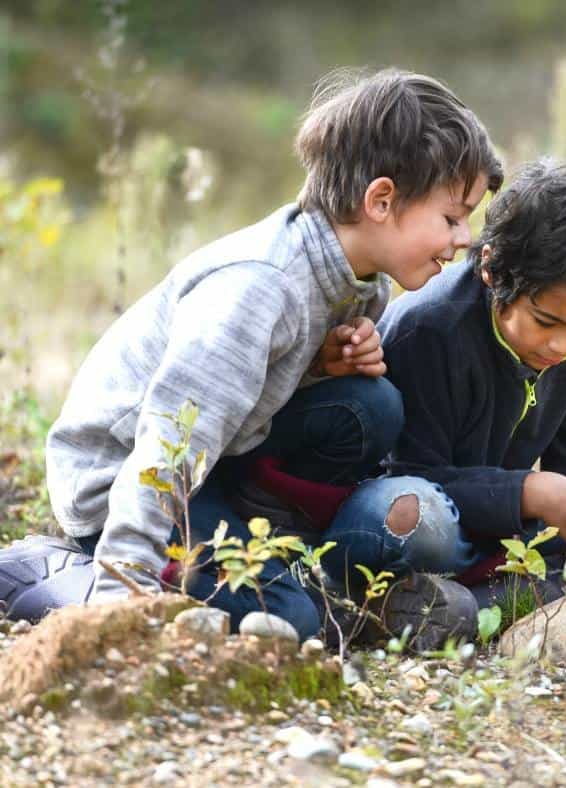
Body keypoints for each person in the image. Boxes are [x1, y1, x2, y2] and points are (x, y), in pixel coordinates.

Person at [0, 69, 502, 643]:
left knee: (371, 405)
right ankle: (59, 574)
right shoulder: (259, 288)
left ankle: (250, 538)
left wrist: (319, 367)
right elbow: (171, 437)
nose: (464, 239)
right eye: (452, 217)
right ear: (381, 200)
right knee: (290, 620)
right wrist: (121, 594)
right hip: (124, 479)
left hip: (215, 465)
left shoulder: (361, 280)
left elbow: (252, 390)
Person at [321, 160, 566, 615]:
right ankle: (493, 603)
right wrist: (531, 491)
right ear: (492, 269)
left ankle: (463, 611)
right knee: (414, 516)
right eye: (545, 321)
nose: (564, 344)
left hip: (512, 538)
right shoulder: (431, 329)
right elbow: (408, 474)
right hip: (420, 525)